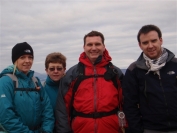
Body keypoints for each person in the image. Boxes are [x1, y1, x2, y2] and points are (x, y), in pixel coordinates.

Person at [55, 31, 124, 133]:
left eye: (97, 44)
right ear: (84, 47)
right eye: (89, 44)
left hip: (110, 128)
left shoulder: (115, 73)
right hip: (81, 129)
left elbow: (125, 103)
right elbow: (63, 109)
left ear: (104, 46)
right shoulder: (73, 74)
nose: (94, 48)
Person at [123, 24, 177, 133]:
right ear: (140, 45)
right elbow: (130, 105)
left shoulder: (175, 64)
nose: (150, 45)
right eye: (145, 42)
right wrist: (137, 130)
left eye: (153, 41)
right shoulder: (134, 70)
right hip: (150, 129)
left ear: (160, 40)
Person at [0, 42, 54, 133]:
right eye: (22, 57)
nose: (27, 61)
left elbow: (47, 109)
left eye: (30, 57)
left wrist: (46, 130)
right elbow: (6, 116)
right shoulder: (5, 82)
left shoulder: (35, 81)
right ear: (15, 60)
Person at [44, 52, 66, 132]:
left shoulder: (70, 89)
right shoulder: (41, 90)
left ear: (64, 69)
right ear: (46, 70)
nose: (56, 71)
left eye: (59, 68)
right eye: (52, 69)